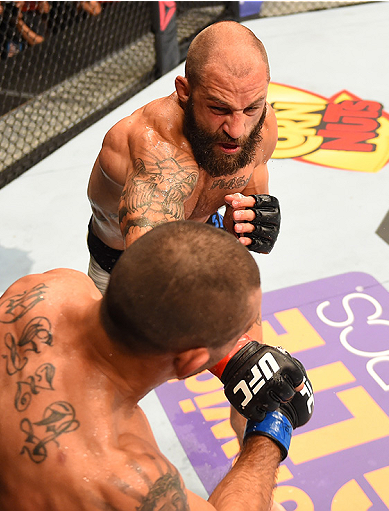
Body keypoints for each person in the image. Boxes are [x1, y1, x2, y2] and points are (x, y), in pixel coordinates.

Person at [0, 221, 313, 511]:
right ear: (191, 359)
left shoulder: (43, 293)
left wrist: (217, 346)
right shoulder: (125, 478)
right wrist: (271, 428)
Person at [86, 19, 280, 447]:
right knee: (100, 392)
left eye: (251, 108)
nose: (237, 129)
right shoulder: (155, 154)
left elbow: (249, 193)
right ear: (184, 91)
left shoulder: (259, 123)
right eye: (219, 109)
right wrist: (234, 359)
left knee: (263, 383)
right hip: (127, 267)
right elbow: (156, 290)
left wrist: (247, 223)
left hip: (201, 235)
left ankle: (254, 463)